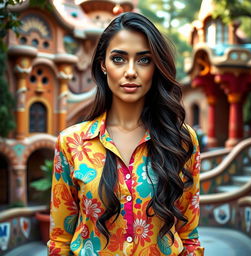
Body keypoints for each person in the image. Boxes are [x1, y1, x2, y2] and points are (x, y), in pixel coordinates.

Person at [48, 12, 204, 256]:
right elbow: (60, 240)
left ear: (156, 66)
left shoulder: (181, 140)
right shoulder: (72, 142)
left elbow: (189, 237)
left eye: (144, 60)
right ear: (103, 64)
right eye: (119, 59)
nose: (130, 71)